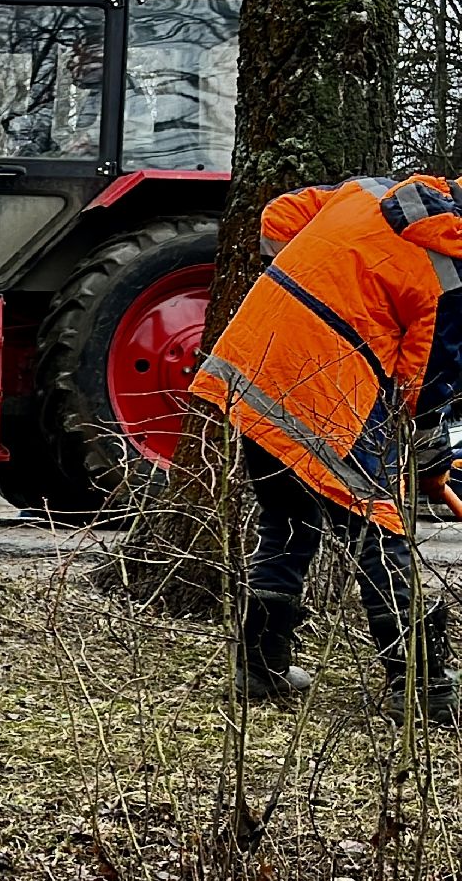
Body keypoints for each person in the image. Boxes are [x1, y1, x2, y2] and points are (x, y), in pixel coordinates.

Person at [191, 175, 462, 723]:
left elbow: (279, 217)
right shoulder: (452, 277)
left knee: (286, 523)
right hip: (326, 394)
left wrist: (305, 287)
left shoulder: (366, 190)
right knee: (380, 532)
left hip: (252, 367)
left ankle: (259, 668)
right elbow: (425, 382)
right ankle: (424, 689)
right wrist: (433, 462)